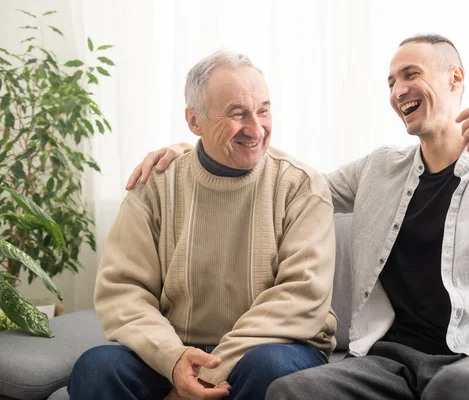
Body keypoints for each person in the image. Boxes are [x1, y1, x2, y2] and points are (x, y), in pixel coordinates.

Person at [127, 35, 469, 399]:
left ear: (456, 78)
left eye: (410, 75)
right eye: (391, 82)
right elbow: (281, 186)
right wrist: (196, 153)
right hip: (391, 359)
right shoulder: (379, 169)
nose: (398, 90)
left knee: (459, 388)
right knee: (293, 391)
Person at [68, 50, 337, 400]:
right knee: (95, 368)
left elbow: (303, 297)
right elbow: (123, 292)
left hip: (275, 348)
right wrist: (175, 360)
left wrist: (210, 373)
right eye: (238, 114)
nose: (256, 129)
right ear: (195, 122)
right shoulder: (156, 185)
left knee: (268, 368)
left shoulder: (301, 185)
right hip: (176, 349)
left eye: (264, 110)